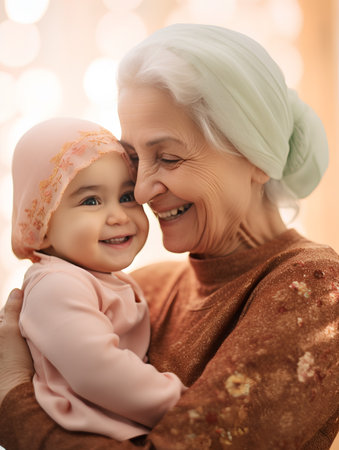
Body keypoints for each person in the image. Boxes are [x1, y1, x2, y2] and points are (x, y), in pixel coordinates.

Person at [0, 23, 339, 450]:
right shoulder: (145, 288)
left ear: (256, 156)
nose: (140, 191)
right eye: (136, 159)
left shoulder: (317, 291)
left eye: (169, 157)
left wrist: (13, 403)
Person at [3, 117, 186, 442]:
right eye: (91, 201)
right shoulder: (55, 285)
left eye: (127, 196)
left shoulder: (96, 278)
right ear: (42, 225)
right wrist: (183, 402)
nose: (118, 215)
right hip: (85, 433)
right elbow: (97, 370)